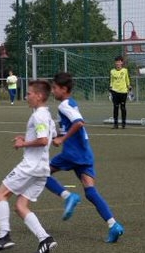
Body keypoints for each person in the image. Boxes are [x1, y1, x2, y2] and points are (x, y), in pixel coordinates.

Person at [45, 72, 125, 243]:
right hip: (85, 152)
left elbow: (79, 122)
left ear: (64, 89)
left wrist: (62, 139)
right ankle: (113, 225)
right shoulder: (71, 103)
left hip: (73, 152)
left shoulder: (64, 105)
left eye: (55, 88)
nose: (52, 91)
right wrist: (56, 135)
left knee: (41, 173)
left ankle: (67, 196)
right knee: (90, 191)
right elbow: (69, 126)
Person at [0, 80, 57, 253]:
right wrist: (26, 137)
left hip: (31, 166)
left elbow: (42, 140)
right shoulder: (47, 115)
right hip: (42, 168)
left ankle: (4, 236)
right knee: (20, 206)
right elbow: (52, 136)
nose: (26, 97)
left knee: (0, 194)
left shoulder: (39, 116)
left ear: (39, 96)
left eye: (29, 93)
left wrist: (23, 143)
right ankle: (45, 239)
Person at [109, 56, 131, 129]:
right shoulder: (112, 71)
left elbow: (127, 79)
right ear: (115, 63)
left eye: (119, 62)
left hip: (123, 91)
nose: (118, 63)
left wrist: (129, 86)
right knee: (115, 107)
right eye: (116, 62)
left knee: (123, 107)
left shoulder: (125, 70)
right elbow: (112, 80)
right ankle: (115, 124)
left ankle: (123, 124)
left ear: (122, 63)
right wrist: (110, 87)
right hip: (115, 91)